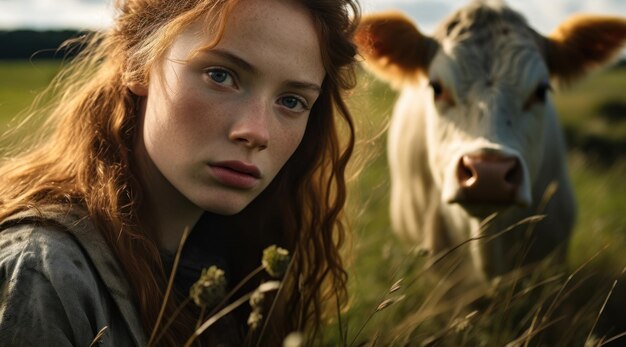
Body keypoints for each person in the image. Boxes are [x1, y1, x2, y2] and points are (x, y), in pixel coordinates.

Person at [0, 0, 361, 345]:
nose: (257, 132)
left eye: (291, 101)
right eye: (220, 75)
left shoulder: (238, 265)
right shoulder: (43, 274)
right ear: (137, 62)